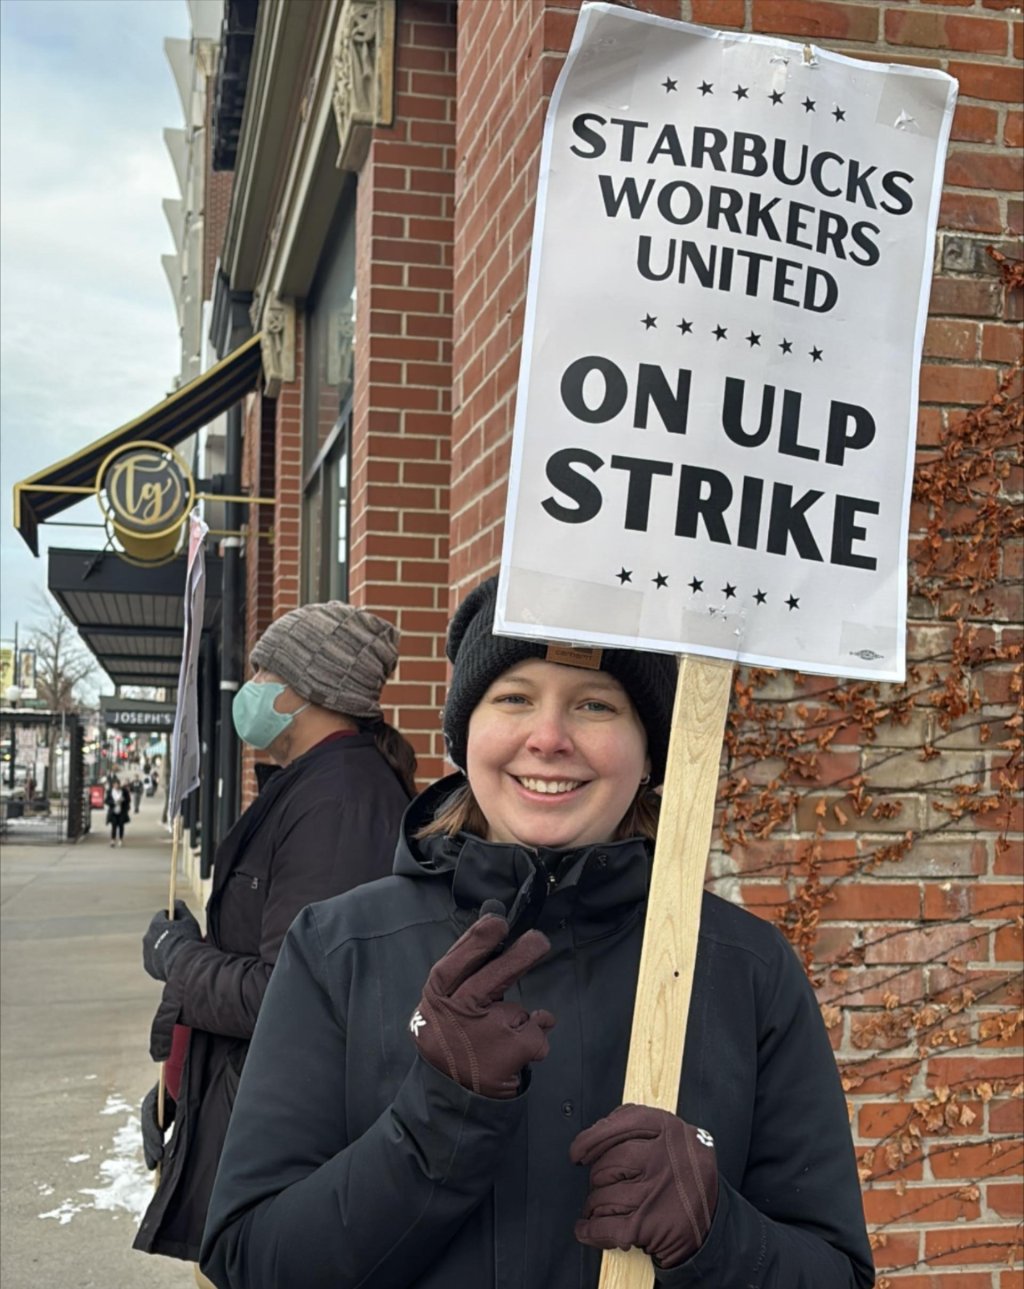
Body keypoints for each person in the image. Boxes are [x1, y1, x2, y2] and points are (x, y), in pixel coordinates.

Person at [200, 576, 875, 1289]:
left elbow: (836, 1273)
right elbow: (253, 1259)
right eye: (514, 696)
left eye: (595, 704)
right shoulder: (339, 947)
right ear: (464, 735)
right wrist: (435, 1121)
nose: (549, 738)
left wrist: (717, 1234)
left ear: (649, 754)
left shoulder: (747, 969)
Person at [134, 601, 418, 1274]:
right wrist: (183, 1082)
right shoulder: (313, 788)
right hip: (243, 1106)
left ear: (305, 688)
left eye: (263, 670)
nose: (251, 685)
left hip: (285, 1148)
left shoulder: (340, 803)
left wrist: (180, 959)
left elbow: (288, 995)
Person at [105, 778, 131, 847]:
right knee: (113, 826)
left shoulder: (124, 791)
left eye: (117, 785)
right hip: (113, 812)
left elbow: (128, 800)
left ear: (119, 785)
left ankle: (120, 840)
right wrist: (113, 802)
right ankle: (112, 840)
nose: (116, 786)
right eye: (115, 785)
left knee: (121, 826)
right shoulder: (110, 791)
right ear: (113, 785)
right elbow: (106, 801)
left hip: (121, 811)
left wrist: (123, 800)